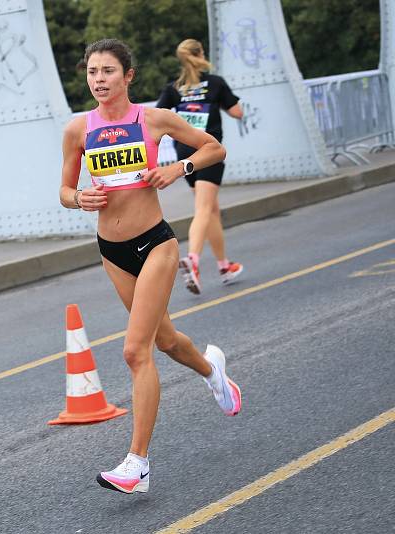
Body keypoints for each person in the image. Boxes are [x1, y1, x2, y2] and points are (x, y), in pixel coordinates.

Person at [59, 38, 241, 495]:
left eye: (107, 72)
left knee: (134, 351)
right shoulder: (78, 129)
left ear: (128, 76)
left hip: (155, 244)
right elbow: (63, 190)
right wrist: (80, 197)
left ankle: (137, 464)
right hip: (111, 249)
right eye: (92, 72)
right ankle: (212, 371)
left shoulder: (153, 119)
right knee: (164, 341)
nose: (98, 80)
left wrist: (177, 170)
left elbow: (213, 148)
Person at [157, 38, 244, 295]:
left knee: (211, 209)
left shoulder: (174, 88)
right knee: (204, 208)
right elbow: (237, 111)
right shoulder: (215, 83)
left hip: (184, 150)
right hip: (208, 151)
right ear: (201, 54)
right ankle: (193, 259)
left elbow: (159, 116)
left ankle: (224, 265)